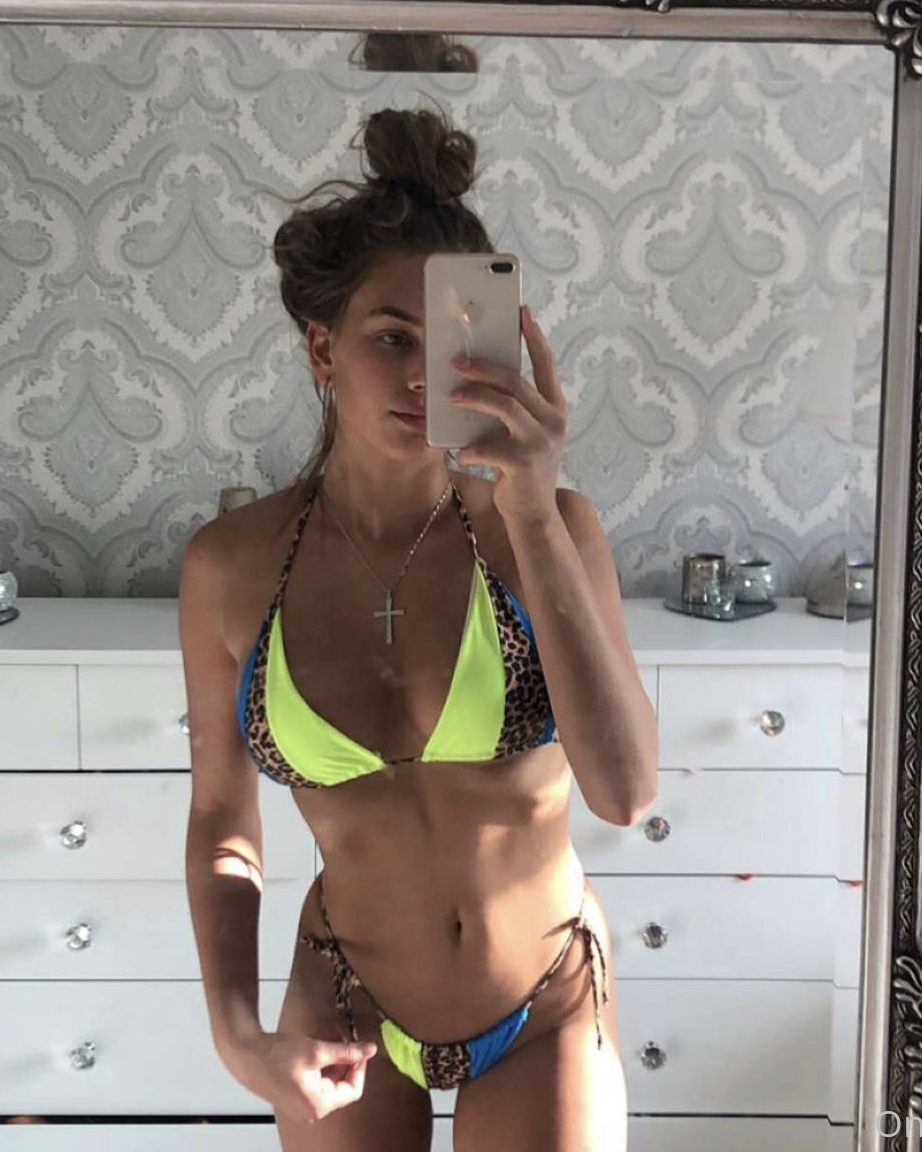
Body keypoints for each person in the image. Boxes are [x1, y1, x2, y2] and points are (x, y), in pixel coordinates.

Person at [178, 104, 658, 1151]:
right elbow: (221, 815)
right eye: (391, 337)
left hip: (542, 997)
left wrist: (534, 512)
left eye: (450, 343)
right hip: (343, 998)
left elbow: (625, 792)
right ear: (322, 347)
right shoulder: (232, 567)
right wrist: (236, 1035)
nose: (420, 376)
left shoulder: (551, 528)